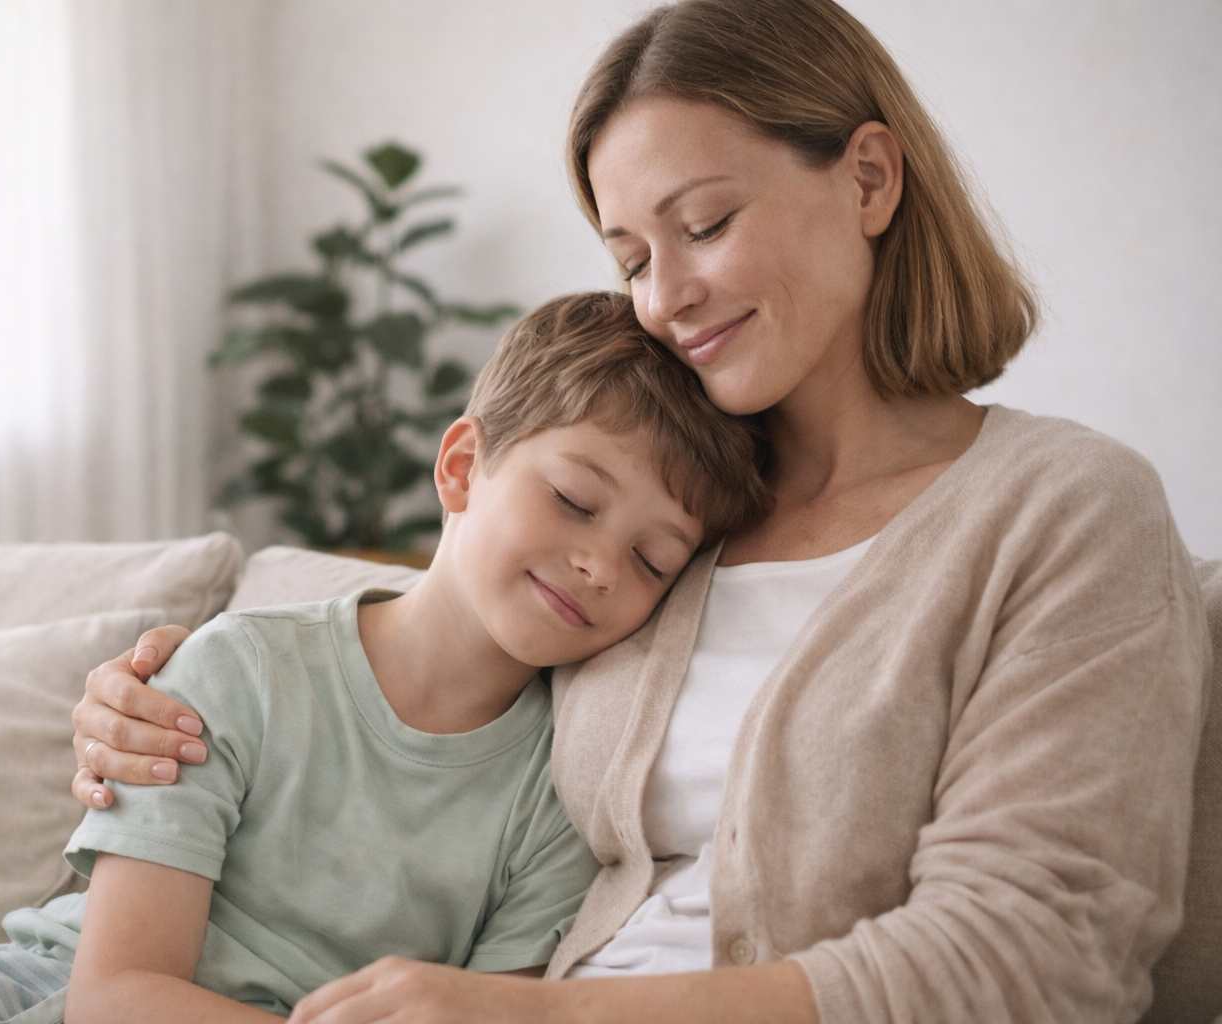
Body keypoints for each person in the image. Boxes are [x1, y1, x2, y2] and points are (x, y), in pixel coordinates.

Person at [71, 1, 1211, 1022]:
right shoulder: (667, 519)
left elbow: (1039, 958)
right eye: (631, 258)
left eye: (705, 224)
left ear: (869, 179)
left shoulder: (1063, 510)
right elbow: (415, 679)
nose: (664, 299)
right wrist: (154, 698)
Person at [0, 293, 768, 1024]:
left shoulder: (562, 796)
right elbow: (116, 995)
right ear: (463, 466)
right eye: (574, 499)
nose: (601, 564)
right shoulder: (240, 672)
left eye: (653, 559)